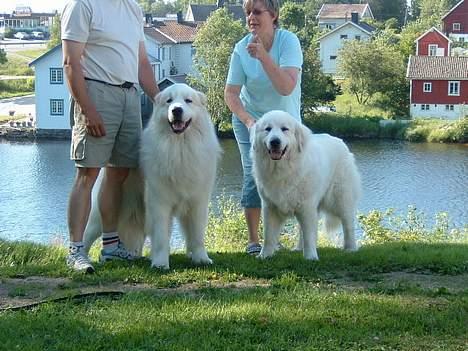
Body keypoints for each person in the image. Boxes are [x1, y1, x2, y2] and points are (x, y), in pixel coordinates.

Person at [61, 0, 159, 273]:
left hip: (130, 97)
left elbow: (142, 64)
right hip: (96, 94)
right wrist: (87, 109)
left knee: (119, 173)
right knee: (87, 174)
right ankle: (76, 251)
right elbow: (70, 62)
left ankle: (111, 247)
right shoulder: (83, 5)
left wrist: (161, 100)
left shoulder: (132, 8)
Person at [224, 0, 303, 255]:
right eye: (247, 13)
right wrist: (248, 121)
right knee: (254, 176)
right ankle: (254, 242)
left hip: (286, 124)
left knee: (294, 177)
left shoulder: (289, 42)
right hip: (253, 123)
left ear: (274, 14)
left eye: (257, 12)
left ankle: (298, 239)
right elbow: (231, 94)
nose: (251, 18)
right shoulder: (239, 49)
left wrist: (263, 56)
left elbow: (286, 87)